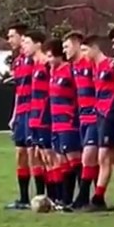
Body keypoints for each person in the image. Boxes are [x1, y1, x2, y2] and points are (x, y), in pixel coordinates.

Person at [89, 34, 114, 209]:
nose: (84, 53)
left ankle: (98, 198)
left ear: (95, 48)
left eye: (85, 49)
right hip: (101, 114)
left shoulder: (111, 65)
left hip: (111, 114)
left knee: (104, 157)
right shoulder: (96, 68)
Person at [45, 39, 81, 208]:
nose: (48, 60)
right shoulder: (53, 73)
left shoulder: (69, 70)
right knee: (63, 162)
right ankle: (65, 199)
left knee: (75, 161)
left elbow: (78, 94)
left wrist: (74, 115)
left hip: (69, 122)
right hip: (56, 124)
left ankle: (83, 197)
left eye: (51, 56)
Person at [4, 23, 34, 209]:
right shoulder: (18, 62)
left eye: (12, 36)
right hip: (21, 113)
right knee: (20, 154)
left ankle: (45, 195)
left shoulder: (33, 60)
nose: (9, 40)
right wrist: (14, 115)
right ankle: (23, 198)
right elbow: (18, 90)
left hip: (33, 112)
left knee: (36, 154)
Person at [70, 31, 100, 207]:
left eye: (68, 46)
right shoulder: (75, 67)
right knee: (90, 158)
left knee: (89, 156)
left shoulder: (91, 65)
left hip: (95, 116)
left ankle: (83, 196)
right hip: (83, 117)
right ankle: (94, 197)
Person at [25, 31, 55, 200]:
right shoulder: (35, 65)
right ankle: (41, 194)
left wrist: (45, 114)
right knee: (38, 156)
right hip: (34, 117)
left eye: (27, 42)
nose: (24, 46)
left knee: (49, 156)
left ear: (38, 45)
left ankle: (54, 196)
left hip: (45, 118)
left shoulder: (45, 65)